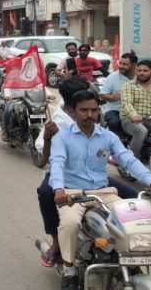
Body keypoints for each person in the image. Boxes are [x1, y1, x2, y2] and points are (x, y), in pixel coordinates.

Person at [49, 89, 151, 290]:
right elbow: (56, 162)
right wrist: (58, 190)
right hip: (73, 194)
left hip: (104, 192)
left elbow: (128, 159)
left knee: (134, 221)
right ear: (73, 111)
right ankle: (69, 269)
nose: (89, 115)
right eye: (84, 110)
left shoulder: (108, 136)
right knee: (70, 224)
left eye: (93, 110)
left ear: (99, 111)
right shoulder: (62, 137)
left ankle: (129, 260)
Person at [35, 76, 136, 269]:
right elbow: (47, 158)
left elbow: (107, 147)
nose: (89, 109)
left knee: (132, 196)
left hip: (93, 176)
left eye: (93, 105)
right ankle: (57, 244)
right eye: (82, 104)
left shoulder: (95, 115)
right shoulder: (57, 121)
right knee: (46, 193)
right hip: (65, 176)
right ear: (71, 104)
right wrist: (48, 138)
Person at [121, 59, 151, 158]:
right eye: (139, 70)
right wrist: (135, 115)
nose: (141, 73)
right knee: (141, 131)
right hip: (130, 120)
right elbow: (127, 103)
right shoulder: (129, 85)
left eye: (145, 71)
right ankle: (133, 163)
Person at [99, 53, 137, 136]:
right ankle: (117, 142)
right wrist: (113, 97)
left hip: (135, 109)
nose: (121, 66)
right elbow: (102, 95)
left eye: (125, 64)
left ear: (134, 65)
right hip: (115, 109)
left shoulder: (139, 77)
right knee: (114, 122)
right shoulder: (112, 77)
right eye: (120, 63)